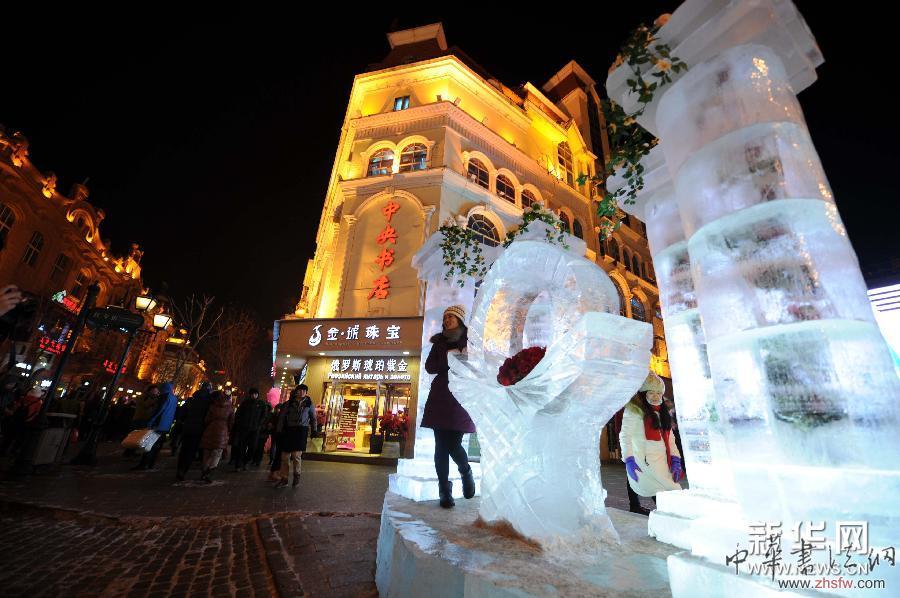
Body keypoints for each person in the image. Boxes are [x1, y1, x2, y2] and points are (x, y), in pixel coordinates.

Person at [421, 305, 476, 508]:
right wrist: (449, 360)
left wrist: (465, 360)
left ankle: (465, 471)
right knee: (440, 446)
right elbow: (430, 367)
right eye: (445, 317)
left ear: (459, 319)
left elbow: (478, 365)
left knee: (454, 444)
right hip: (441, 396)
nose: (447, 320)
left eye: (451, 317)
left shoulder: (470, 340)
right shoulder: (439, 342)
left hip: (460, 396)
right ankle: (444, 490)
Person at [619, 372, 683, 507]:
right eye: (651, 393)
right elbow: (625, 435)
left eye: (658, 393)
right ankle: (639, 507)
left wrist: (676, 459)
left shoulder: (662, 412)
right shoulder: (634, 411)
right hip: (645, 462)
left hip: (662, 461)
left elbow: (670, 438)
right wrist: (629, 459)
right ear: (644, 394)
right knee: (661, 495)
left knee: (672, 494)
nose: (655, 396)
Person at [274, 385, 317, 489]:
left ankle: (297, 475)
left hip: (301, 432)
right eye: (300, 390)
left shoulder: (309, 404)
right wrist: (278, 430)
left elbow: (313, 418)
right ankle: (284, 478)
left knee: (296, 456)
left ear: (306, 392)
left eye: (304, 390)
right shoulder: (289, 403)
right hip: (289, 431)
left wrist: (314, 430)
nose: (302, 392)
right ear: (297, 391)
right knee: (285, 456)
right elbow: (282, 417)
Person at [132, 383, 177, 470]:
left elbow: (159, 410)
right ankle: (151, 464)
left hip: (157, 424)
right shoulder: (174, 398)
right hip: (165, 426)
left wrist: (151, 421)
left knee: (149, 445)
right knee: (157, 446)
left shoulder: (164, 397)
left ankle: (144, 464)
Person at [175, 382, 212, 481]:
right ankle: (202, 473)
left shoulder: (192, 400)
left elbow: (181, 413)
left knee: (185, 450)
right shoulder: (209, 403)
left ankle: (181, 470)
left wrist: (181, 423)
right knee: (197, 452)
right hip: (200, 430)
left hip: (188, 428)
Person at [199, 391, 234, 483]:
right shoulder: (230, 408)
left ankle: (204, 471)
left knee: (207, 451)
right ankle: (210, 472)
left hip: (210, 429)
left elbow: (206, 419)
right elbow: (231, 422)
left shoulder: (212, 406)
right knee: (217, 452)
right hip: (223, 430)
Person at [231, 388, 268, 471]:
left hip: (255, 430)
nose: (254, 395)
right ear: (250, 395)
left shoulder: (261, 404)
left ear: (258, 394)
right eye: (252, 394)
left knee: (252, 447)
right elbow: (239, 413)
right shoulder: (245, 403)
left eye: (255, 394)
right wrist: (240, 424)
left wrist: (259, 424)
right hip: (244, 428)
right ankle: (238, 464)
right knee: (241, 447)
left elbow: (264, 415)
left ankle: (246, 461)